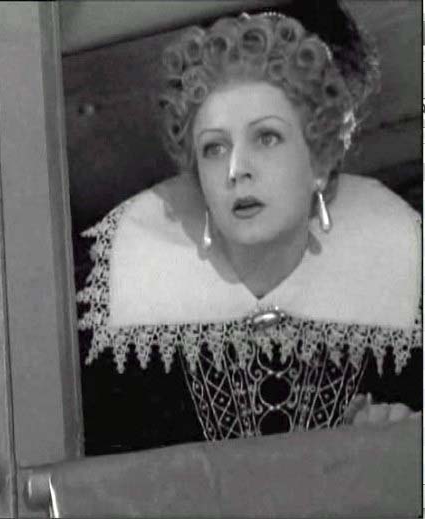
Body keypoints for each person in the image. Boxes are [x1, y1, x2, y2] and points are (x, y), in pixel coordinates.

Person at [76, 2, 422, 455]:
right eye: (216, 146)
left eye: (270, 136)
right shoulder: (126, 305)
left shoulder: (401, 278)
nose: (239, 169)